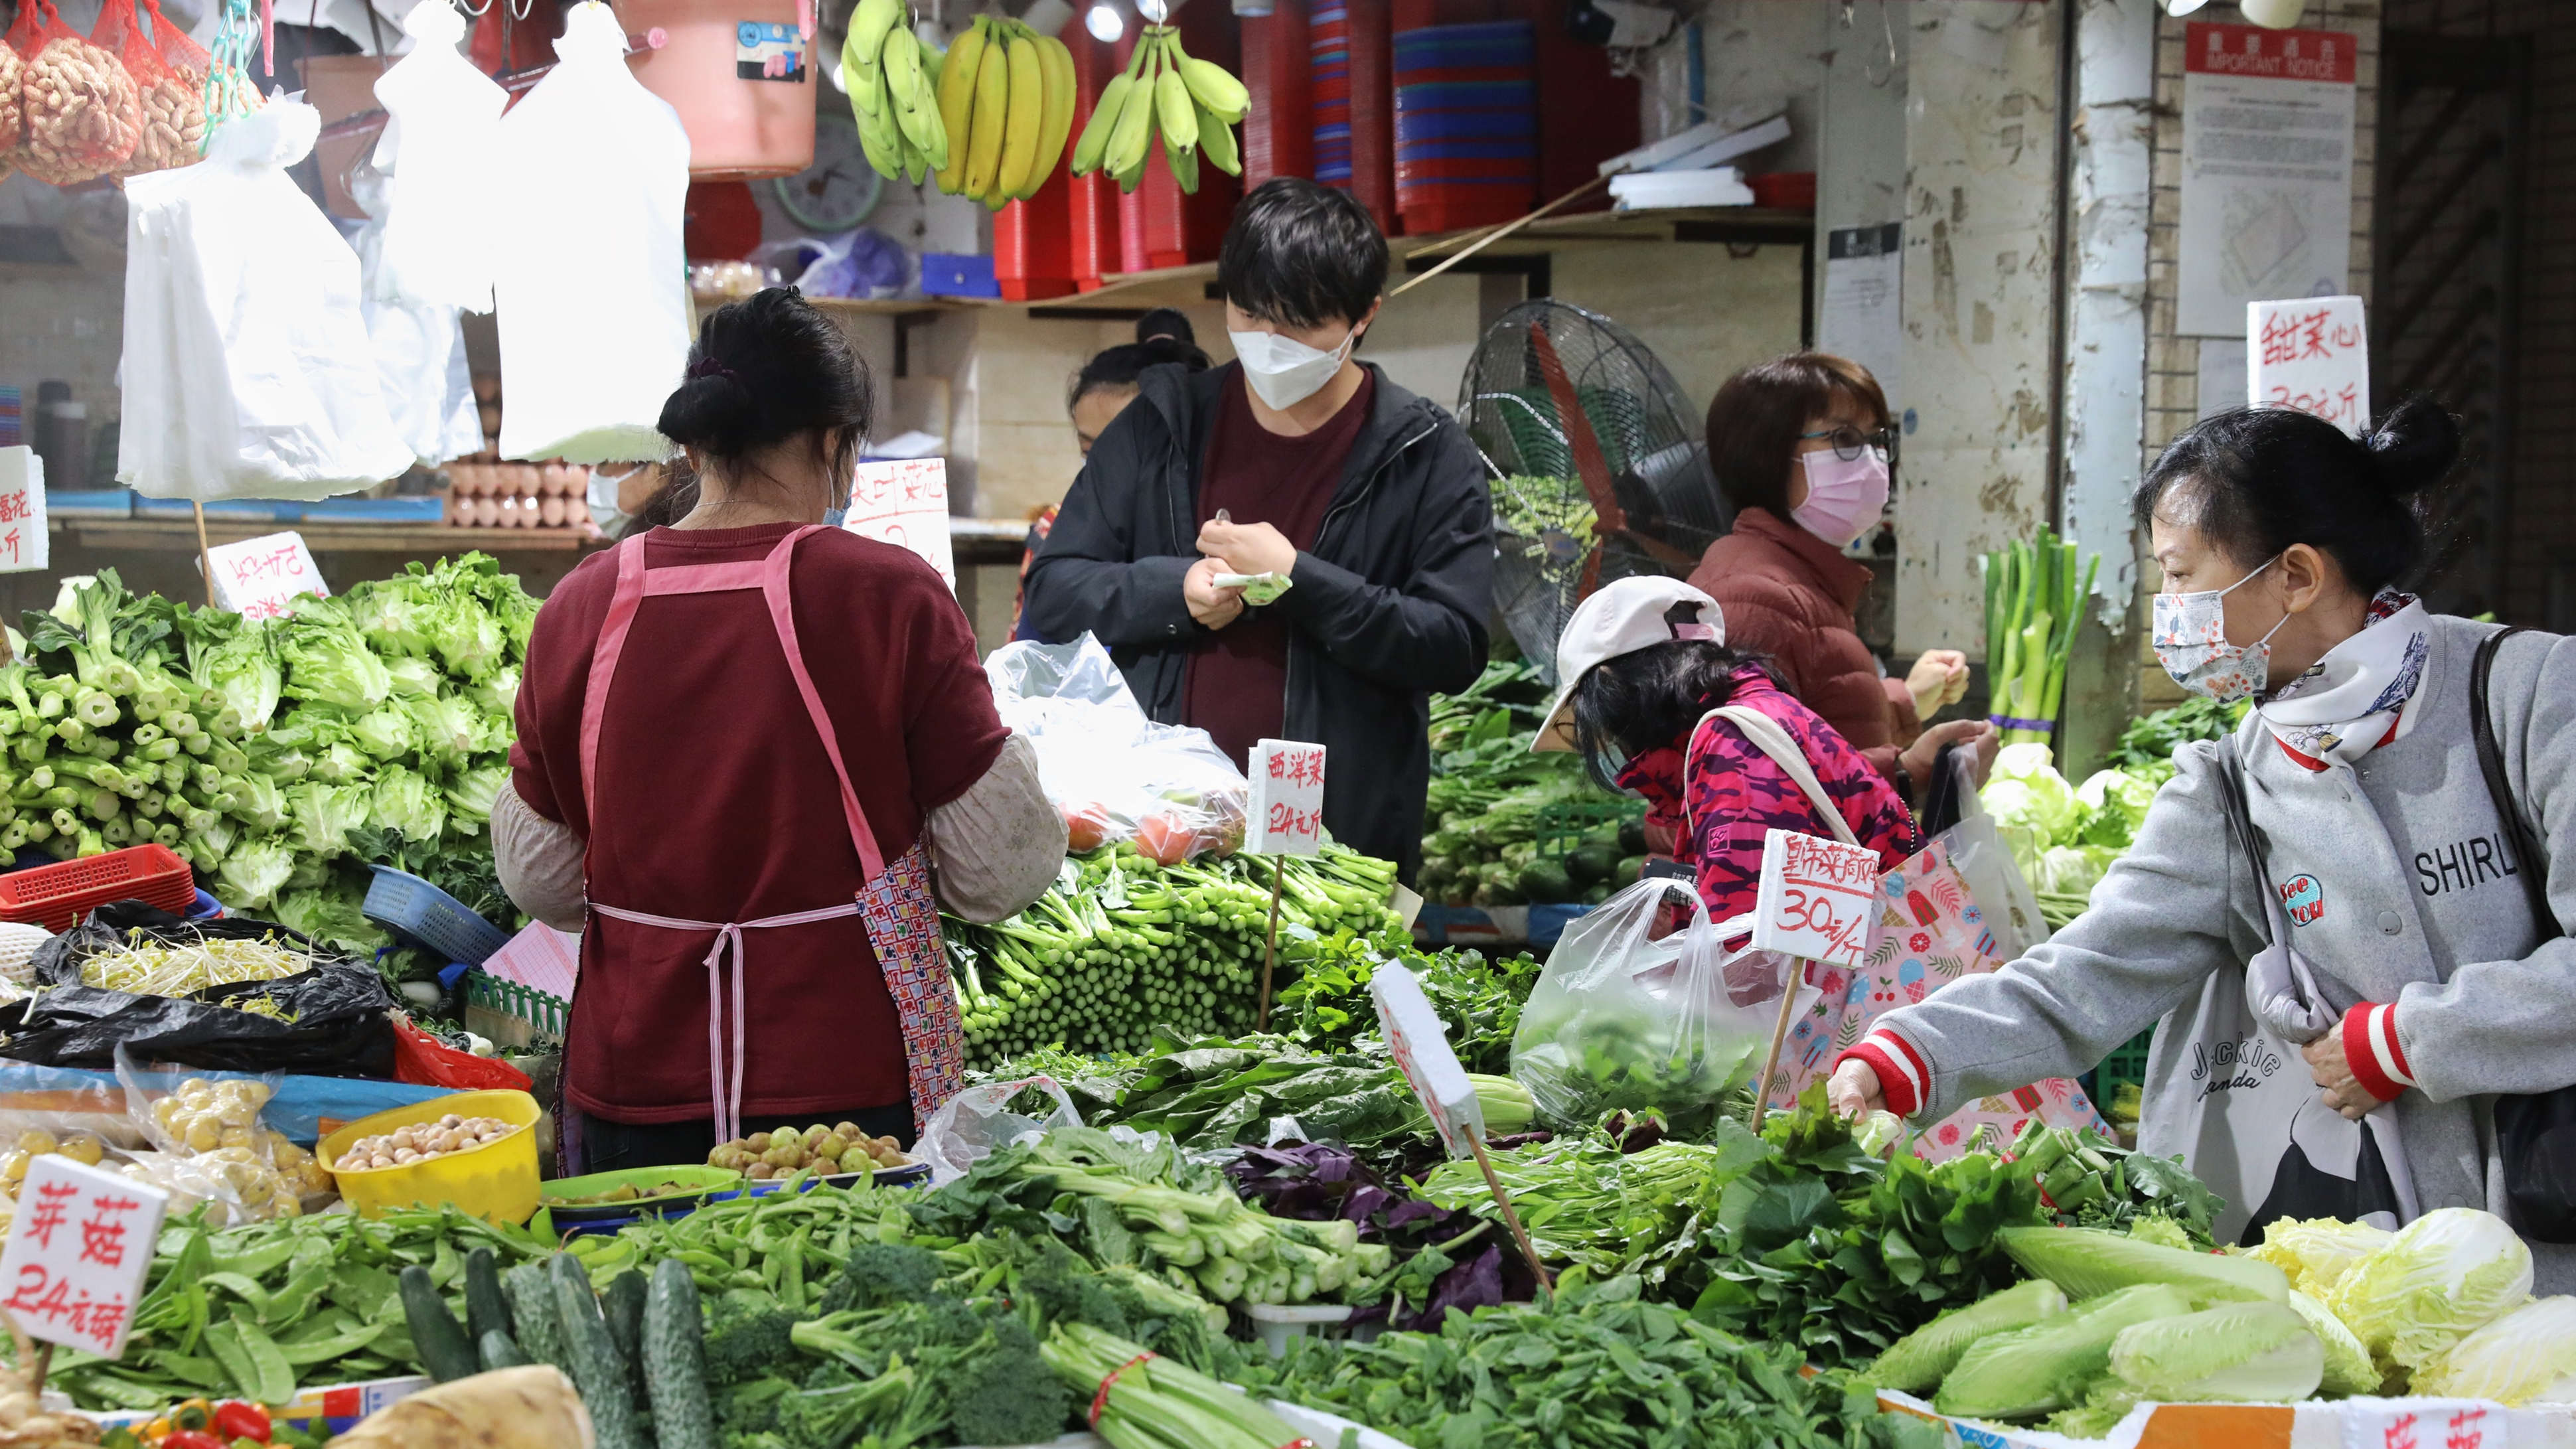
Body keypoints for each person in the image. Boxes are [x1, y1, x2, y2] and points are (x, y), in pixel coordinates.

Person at [1825, 400, 2576, 1288]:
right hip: (2376, 1264)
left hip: (2550, 1227)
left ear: (2294, 572)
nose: (2167, 612)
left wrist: (2411, 1039)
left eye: (2180, 576)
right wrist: (1910, 1053)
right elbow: (2088, 973)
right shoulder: (2227, 780)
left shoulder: (2531, 693)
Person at [496, 288, 1064, 1172]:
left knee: (645, 1304)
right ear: (836, 441)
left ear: (693, 443)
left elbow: (544, 882)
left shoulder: (580, 603)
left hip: (633, 1077)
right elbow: (1001, 872)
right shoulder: (886, 594)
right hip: (839, 1102)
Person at [1021, 178, 1494, 881]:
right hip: (1156, 838)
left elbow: (1453, 645)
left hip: (1337, 851)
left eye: (1299, 323)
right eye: (1250, 313)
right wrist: (1171, 590)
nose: (1269, 342)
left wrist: (1300, 579)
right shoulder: (1159, 426)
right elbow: (1053, 595)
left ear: (1363, 315)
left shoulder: (1425, 453)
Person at [1539, 576, 1940, 923]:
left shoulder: (1733, 752)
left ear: (1618, 689)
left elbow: (1752, 959)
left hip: (1875, 1001)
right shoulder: (1744, 723)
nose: (1610, 739)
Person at [1690, 353, 1984, 804]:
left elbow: (1809, 728)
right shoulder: (1753, 595)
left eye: (1876, 439)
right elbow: (1741, 784)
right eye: (1843, 437)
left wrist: (1905, 699)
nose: (1871, 461)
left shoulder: (1802, 580)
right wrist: (1909, 771)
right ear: (1766, 452)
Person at [1010, 311, 1213, 640]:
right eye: (1091, 454)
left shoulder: (1215, 518)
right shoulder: (1055, 530)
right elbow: (1034, 649)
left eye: (1124, 453)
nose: (1108, 470)